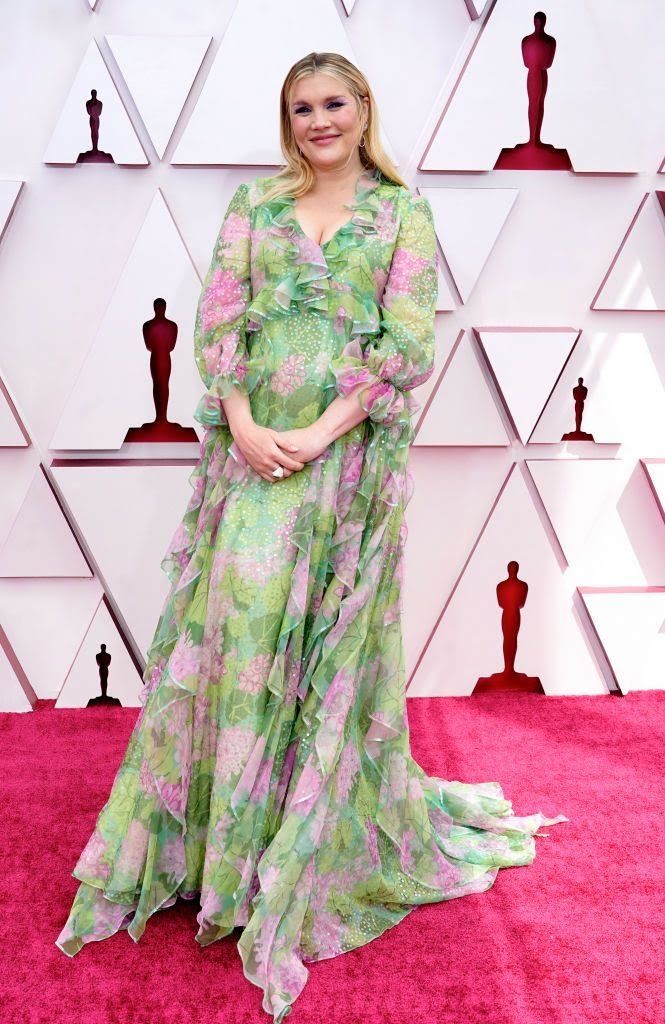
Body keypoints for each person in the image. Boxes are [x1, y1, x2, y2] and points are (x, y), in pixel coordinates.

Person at [55, 52, 568, 1023]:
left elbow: (406, 346)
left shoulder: (400, 213)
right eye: (301, 107)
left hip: (346, 467)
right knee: (242, 634)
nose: (318, 120)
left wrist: (318, 435)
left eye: (333, 104)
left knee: (324, 655)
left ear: (361, 108)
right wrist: (247, 426)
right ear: (284, 118)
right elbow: (219, 326)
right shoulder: (252, 206)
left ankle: (294, 850)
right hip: (251, 460)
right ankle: (221, 853)